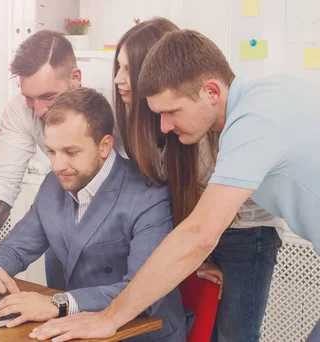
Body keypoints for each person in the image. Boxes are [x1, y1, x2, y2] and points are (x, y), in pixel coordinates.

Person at [29, 29, 320, 342]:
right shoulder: (267, 94)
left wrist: (108, 318)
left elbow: (199, 234)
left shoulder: (254, 123)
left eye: (171, 111)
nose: (165, 126)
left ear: (211, 91)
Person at [113, 18, 283, 341]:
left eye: (128, 68)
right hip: (212, 232)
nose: (121, 79)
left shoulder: (234, 123)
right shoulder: (164, 123)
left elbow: (204, 227)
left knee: (235, 334)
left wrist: (110, 318)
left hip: (244, 233)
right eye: (117, 68)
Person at [0, 87, 187, 342]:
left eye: (71, 152)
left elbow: (142, 292)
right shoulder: (51, 186)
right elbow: (14, 248)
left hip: (141, 334)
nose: (57, 166)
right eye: (51, 152)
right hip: (81, 331)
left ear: (104, 146)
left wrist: (58, 304)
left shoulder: (148, 195)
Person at [0, 31, 124, 292]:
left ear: (75, 79)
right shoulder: (20, 109)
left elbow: (146, 175)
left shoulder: (116, 97)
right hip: (70, 211)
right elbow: (3, 182)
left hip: (123, 219)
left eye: (48, 97)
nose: (38, 110)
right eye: (30, 97)